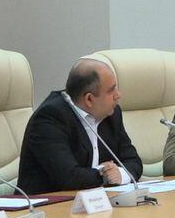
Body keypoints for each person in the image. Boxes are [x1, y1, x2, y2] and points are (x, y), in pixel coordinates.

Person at [18, 58, 143, 194]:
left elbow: (134, 161)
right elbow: (68, 177)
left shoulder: (111, 114)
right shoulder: (50, 118)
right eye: (111, 90)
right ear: (89, 99)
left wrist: (120, 174)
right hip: (50, 203)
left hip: (97, 201)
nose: (118, 95)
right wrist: (104, 175)